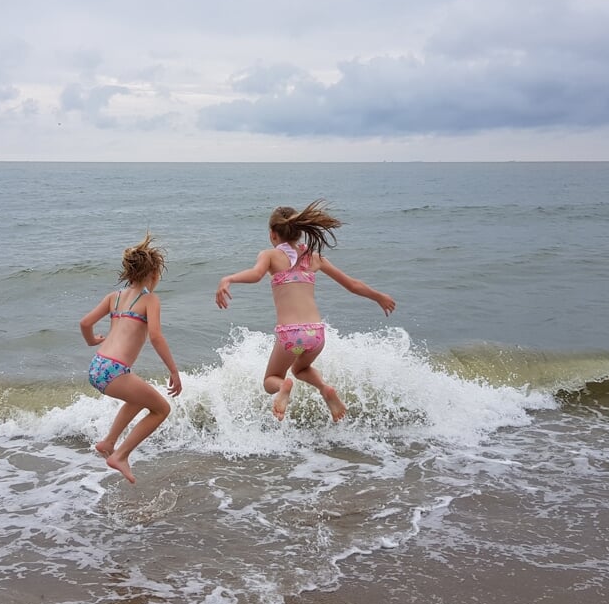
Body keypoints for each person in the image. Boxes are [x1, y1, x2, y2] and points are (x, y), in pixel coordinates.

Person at [215, 200, 395, 422]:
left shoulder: (270, 255)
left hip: (291, 334)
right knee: (300, 369)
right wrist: (379, 296)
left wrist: (228, 279)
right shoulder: (314, 257)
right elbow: (352, 284)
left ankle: (284, 387)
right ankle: (324, 388)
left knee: (271, 379)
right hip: (316, 333)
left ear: (273, 235)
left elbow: (256, 274)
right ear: (299, 232)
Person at [79, 234, 182, 483]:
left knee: (138, 398)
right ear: (153, 273)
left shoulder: (113, 297)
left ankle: (108, 442)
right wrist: (173, 371)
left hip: (98, 366)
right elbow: (156, 337)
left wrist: (92, 341)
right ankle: (120, 455)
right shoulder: (150, 299)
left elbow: (84, 323)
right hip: (115, 370)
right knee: (161, 409)